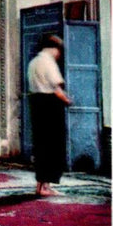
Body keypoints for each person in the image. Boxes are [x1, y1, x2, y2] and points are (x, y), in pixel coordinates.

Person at [27, 34, 72, 196]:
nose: (59, 54)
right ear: (54, 48)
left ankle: (40, 185)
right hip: (49, 106)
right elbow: (56, 88)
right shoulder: (48, 62)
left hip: (36, 103)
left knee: (41, 145)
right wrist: (68, 100)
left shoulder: (33, 62)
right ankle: (45, 186)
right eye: (59, 50)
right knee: (52, 145)